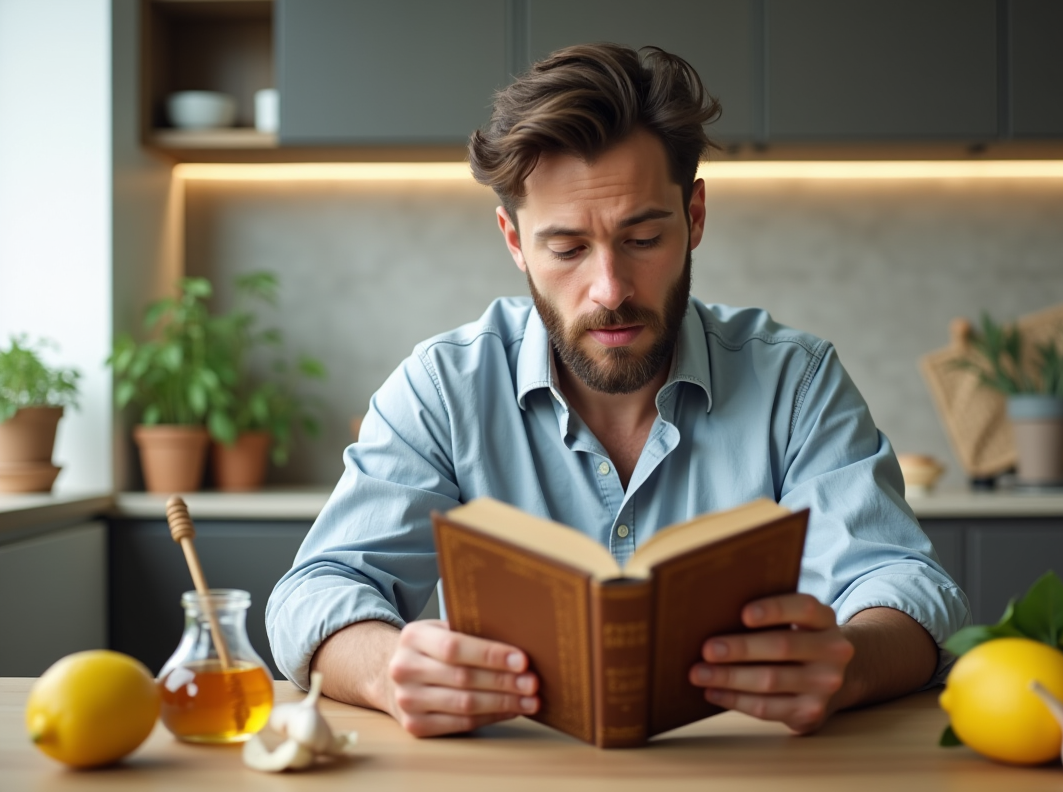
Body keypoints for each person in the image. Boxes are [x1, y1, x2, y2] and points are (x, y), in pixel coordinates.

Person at [267, 43, 970, 739]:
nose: (610, 290)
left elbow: (906, 588)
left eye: (643, 238)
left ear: (694, 217)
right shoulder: (441, 388)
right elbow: (313, 591)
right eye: (567, 248)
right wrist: (389, 667)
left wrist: (849, 663)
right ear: (514, 240)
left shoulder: (798, 381)